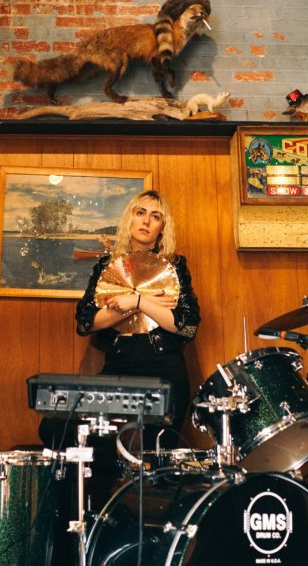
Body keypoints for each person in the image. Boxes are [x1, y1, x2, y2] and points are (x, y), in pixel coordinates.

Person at [75, 190, 201, 450]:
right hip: (119, 363)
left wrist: (136, 301)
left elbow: (187, 326)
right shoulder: (106, 265)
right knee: (87, 442)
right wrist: (144, 302)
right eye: (140, 213)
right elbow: (85, 322)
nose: (146, 221)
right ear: (129, 219)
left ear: (162, 227)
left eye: (155, 216)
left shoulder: (175, 265)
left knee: (160, 453)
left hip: (164, 364)